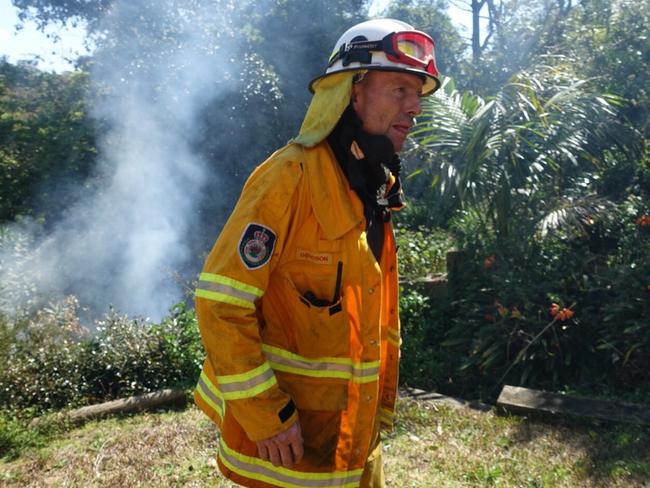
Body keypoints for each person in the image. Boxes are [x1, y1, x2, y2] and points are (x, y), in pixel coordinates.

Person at [194, 18, 440, 488]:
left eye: (419, 94)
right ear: (353, 91)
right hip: (284, 451)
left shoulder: (376, 186)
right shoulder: (288, 178)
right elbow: (221, 304)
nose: (415, 107)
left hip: (353, 442)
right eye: (400, 90)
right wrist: (267, 416)